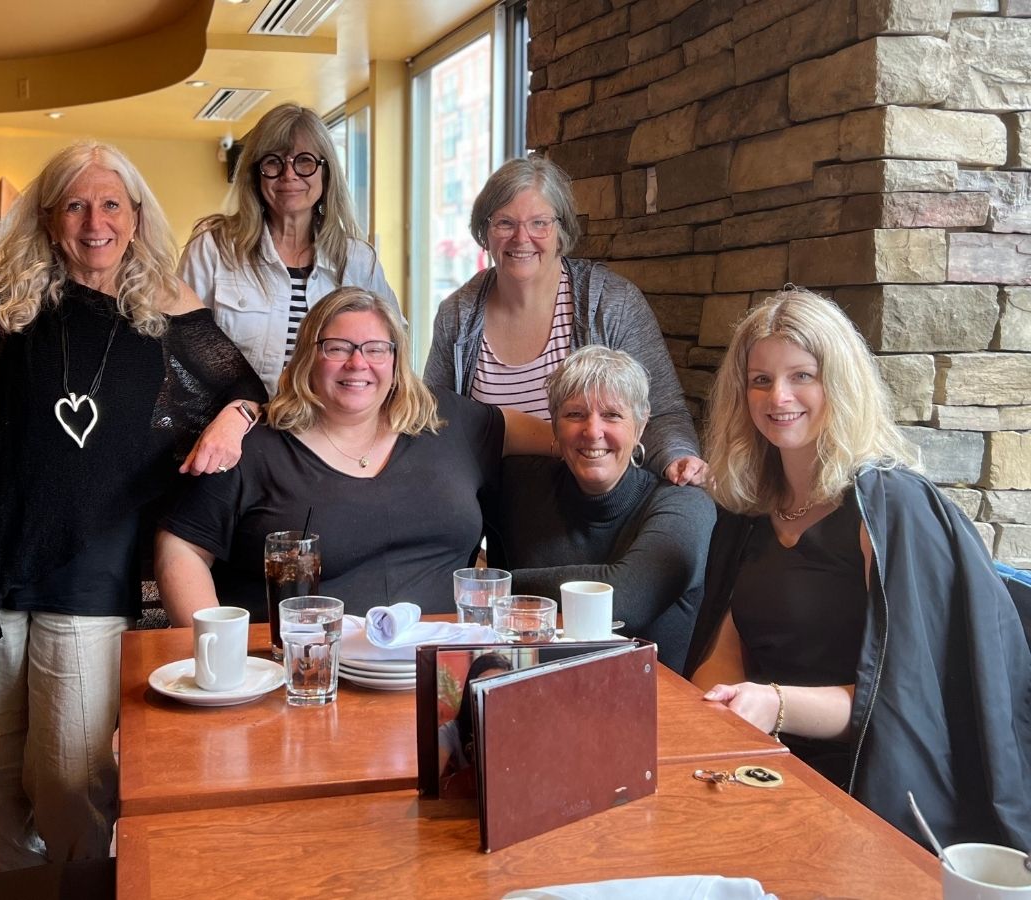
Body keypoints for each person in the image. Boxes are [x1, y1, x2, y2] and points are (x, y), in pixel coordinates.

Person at [0, 142, 267, 871]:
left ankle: (80, 886)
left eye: (112, 203)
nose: (95, 221)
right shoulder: (7, 296)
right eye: (75, 205)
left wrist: (231, 422)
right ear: (49, 220)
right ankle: (28, 888)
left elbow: (247, 390)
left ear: (136, 216)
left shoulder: (167, 303)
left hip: (92, 568)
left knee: (70, 779)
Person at [684, 287, 1031, 849]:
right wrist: (716, 708)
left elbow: (904, 709)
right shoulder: (751, 512)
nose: (780, 396)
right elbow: (725, 656)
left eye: (803, 375)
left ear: (839, 382)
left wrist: (775, 704)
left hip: (867, 786)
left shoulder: (890, 507)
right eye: (761, 380)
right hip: (765, 763)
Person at [156, 286, 554, 624]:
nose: (358, 363)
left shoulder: (449, 422)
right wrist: (217, 655)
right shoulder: (253, 445)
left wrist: (608, 443)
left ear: (396, 361)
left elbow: (561, 438)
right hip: (305, 675)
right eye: (337, 348)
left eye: (376, 349)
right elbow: (182, 549)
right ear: (309, 357)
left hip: (440, 669)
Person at [423, 156, 705, 486]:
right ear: (485, 231)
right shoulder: (457, 315)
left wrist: (677, 457)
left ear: (562, 230)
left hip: (594, 513)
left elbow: (663, 410)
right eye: (504, 223)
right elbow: (436, 421)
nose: (521, 237)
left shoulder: (611, 303)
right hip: (493, 518)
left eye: (539, 223)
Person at [487, 346, 715, 671]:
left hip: (651, 707)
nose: (593, 432)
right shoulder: (518, 484)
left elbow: (623, 599)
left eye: (612, 415)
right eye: (575, 414)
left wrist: (487, 588)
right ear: (554, 424)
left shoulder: (685, 503)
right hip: (530, 690)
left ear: (640, 424)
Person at [178, 102, 398, 399]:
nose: (289, 175)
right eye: (273, 162)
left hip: (327, 433)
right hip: (233, 433)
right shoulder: (213, 249)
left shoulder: (358, 260)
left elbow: (391, 350)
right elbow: (178, 352)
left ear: (326, 172)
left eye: (305, 161)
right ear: (255, 173)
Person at [438, 652, 514, 799]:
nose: (488, 693)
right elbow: (430, 786)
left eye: (499, 685)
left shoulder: (520, 728)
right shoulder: (451, 731)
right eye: (482, 685)